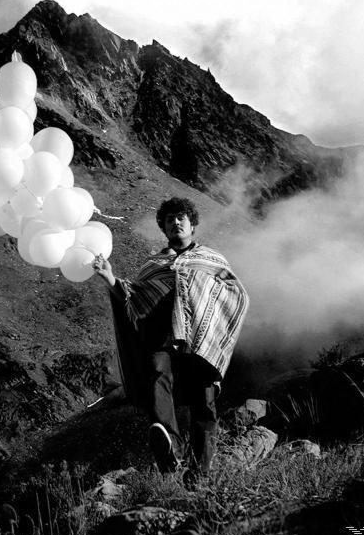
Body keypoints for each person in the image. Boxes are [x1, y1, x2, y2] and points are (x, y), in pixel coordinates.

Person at [92, 197, 249, 486]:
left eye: (181, 218)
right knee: (156, 377)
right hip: (161, 338)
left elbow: (233, 293)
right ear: (163, 228)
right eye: (169, 220)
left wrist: (202, 299)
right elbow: (133, 298)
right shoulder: (154, 264)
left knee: (204, 402)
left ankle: (199, 475)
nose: (175, 223)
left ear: (192, 225)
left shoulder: (211, 260)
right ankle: (171, 450)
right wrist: (110, 277)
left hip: (200, 341)